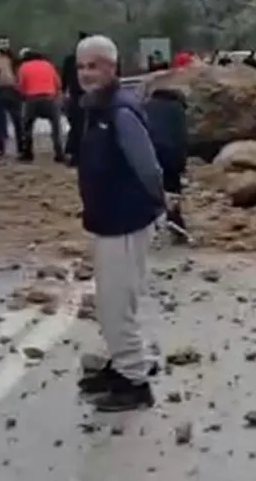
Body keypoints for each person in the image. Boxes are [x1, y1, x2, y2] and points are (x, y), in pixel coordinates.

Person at [73, 35, 163, 412]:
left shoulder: (119, 112)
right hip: (109, 220)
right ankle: (122, 364)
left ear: (112, 67)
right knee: (113, 300)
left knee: (114, 304)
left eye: (94, 66)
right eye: (81, 67)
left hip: (124, 221)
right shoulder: (98, 108)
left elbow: (148, 167)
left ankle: (134, 381)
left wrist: (159, 204)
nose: (86, 74)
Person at [144, 88, 189, 244]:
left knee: (149, 190)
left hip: (148, 152)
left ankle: (152, 226)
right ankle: (175, 223)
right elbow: (180, 137)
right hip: (170, 152)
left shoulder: (146, 106)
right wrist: (181, 165)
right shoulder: (176, 109)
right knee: (172, 189)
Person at [17, 49, 65, 163]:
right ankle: (59, 154)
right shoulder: (48, 65)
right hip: (50, 98)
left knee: (27, 127)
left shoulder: (23, 67)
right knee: (56, 128)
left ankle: (27, 152)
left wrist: (24, 95)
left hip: (32, 99)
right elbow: (58, 83)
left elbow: (20, 85)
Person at [0, 35, 21, 161]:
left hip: (12, 90)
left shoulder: (12, 56)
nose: (5, 45)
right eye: (2, 43)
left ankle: (21, 148)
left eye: (7, 43)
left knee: (18, 120)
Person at [61, 32, 89, 165]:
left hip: (75, 95)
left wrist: (63, 92)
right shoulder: (95, 60)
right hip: (85, 95)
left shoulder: (70, 60)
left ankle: (73, 152)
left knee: (76, 124)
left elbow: (64, 79)